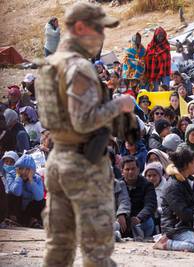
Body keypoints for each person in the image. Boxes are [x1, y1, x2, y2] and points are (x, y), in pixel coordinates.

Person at [40, 3, 136, 265]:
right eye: (99, 29)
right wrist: (120, 104)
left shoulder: (51, 63)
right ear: (80, 28)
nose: (102, 36)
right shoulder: (79, 67)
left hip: (59, 159)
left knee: (58, 249)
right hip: (85, 166)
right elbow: (83, 121)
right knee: (97, 254)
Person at [153, 149, 194, 253]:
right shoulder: (173, 186)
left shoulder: (186, 181)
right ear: (187, 164)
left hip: (186, 226)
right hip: (174, 229)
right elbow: (184, 214)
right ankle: (166, 243)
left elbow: (191, 204)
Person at [120, 156, 157, 240]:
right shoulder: (118, 185)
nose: (130, 172)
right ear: (122, 171)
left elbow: (150, 205)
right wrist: (120, 215)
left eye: (133, 169)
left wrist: (139, 218)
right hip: (123, 220)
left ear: (138, 169)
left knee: (149, 222)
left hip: (141, 221)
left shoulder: (147, 185)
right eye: (127, 169)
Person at [6, 154, 44, 228]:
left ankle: (32, 221)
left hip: (29, 210)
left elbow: (39, 197)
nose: (24, 172)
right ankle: (13, 219)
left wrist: (31, 181)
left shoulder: (37, 178)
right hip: (16, 209)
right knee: (11, 195)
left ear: (32, 170)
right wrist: (18, 178)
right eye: (21, 168)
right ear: (17, 169)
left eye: (27, 169)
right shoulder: (11, 175)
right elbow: (16, 192)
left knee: (42, 201)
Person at [145, 27, 171, 91]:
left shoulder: (166, 46)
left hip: (165, 71)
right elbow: (147, 59)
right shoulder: (150, 46)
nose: (160, 38)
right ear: (155, 36)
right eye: (159, 36)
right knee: (155, 90)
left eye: (162, 36)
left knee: (166, 89)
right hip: (153, 72)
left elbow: (167, 59)